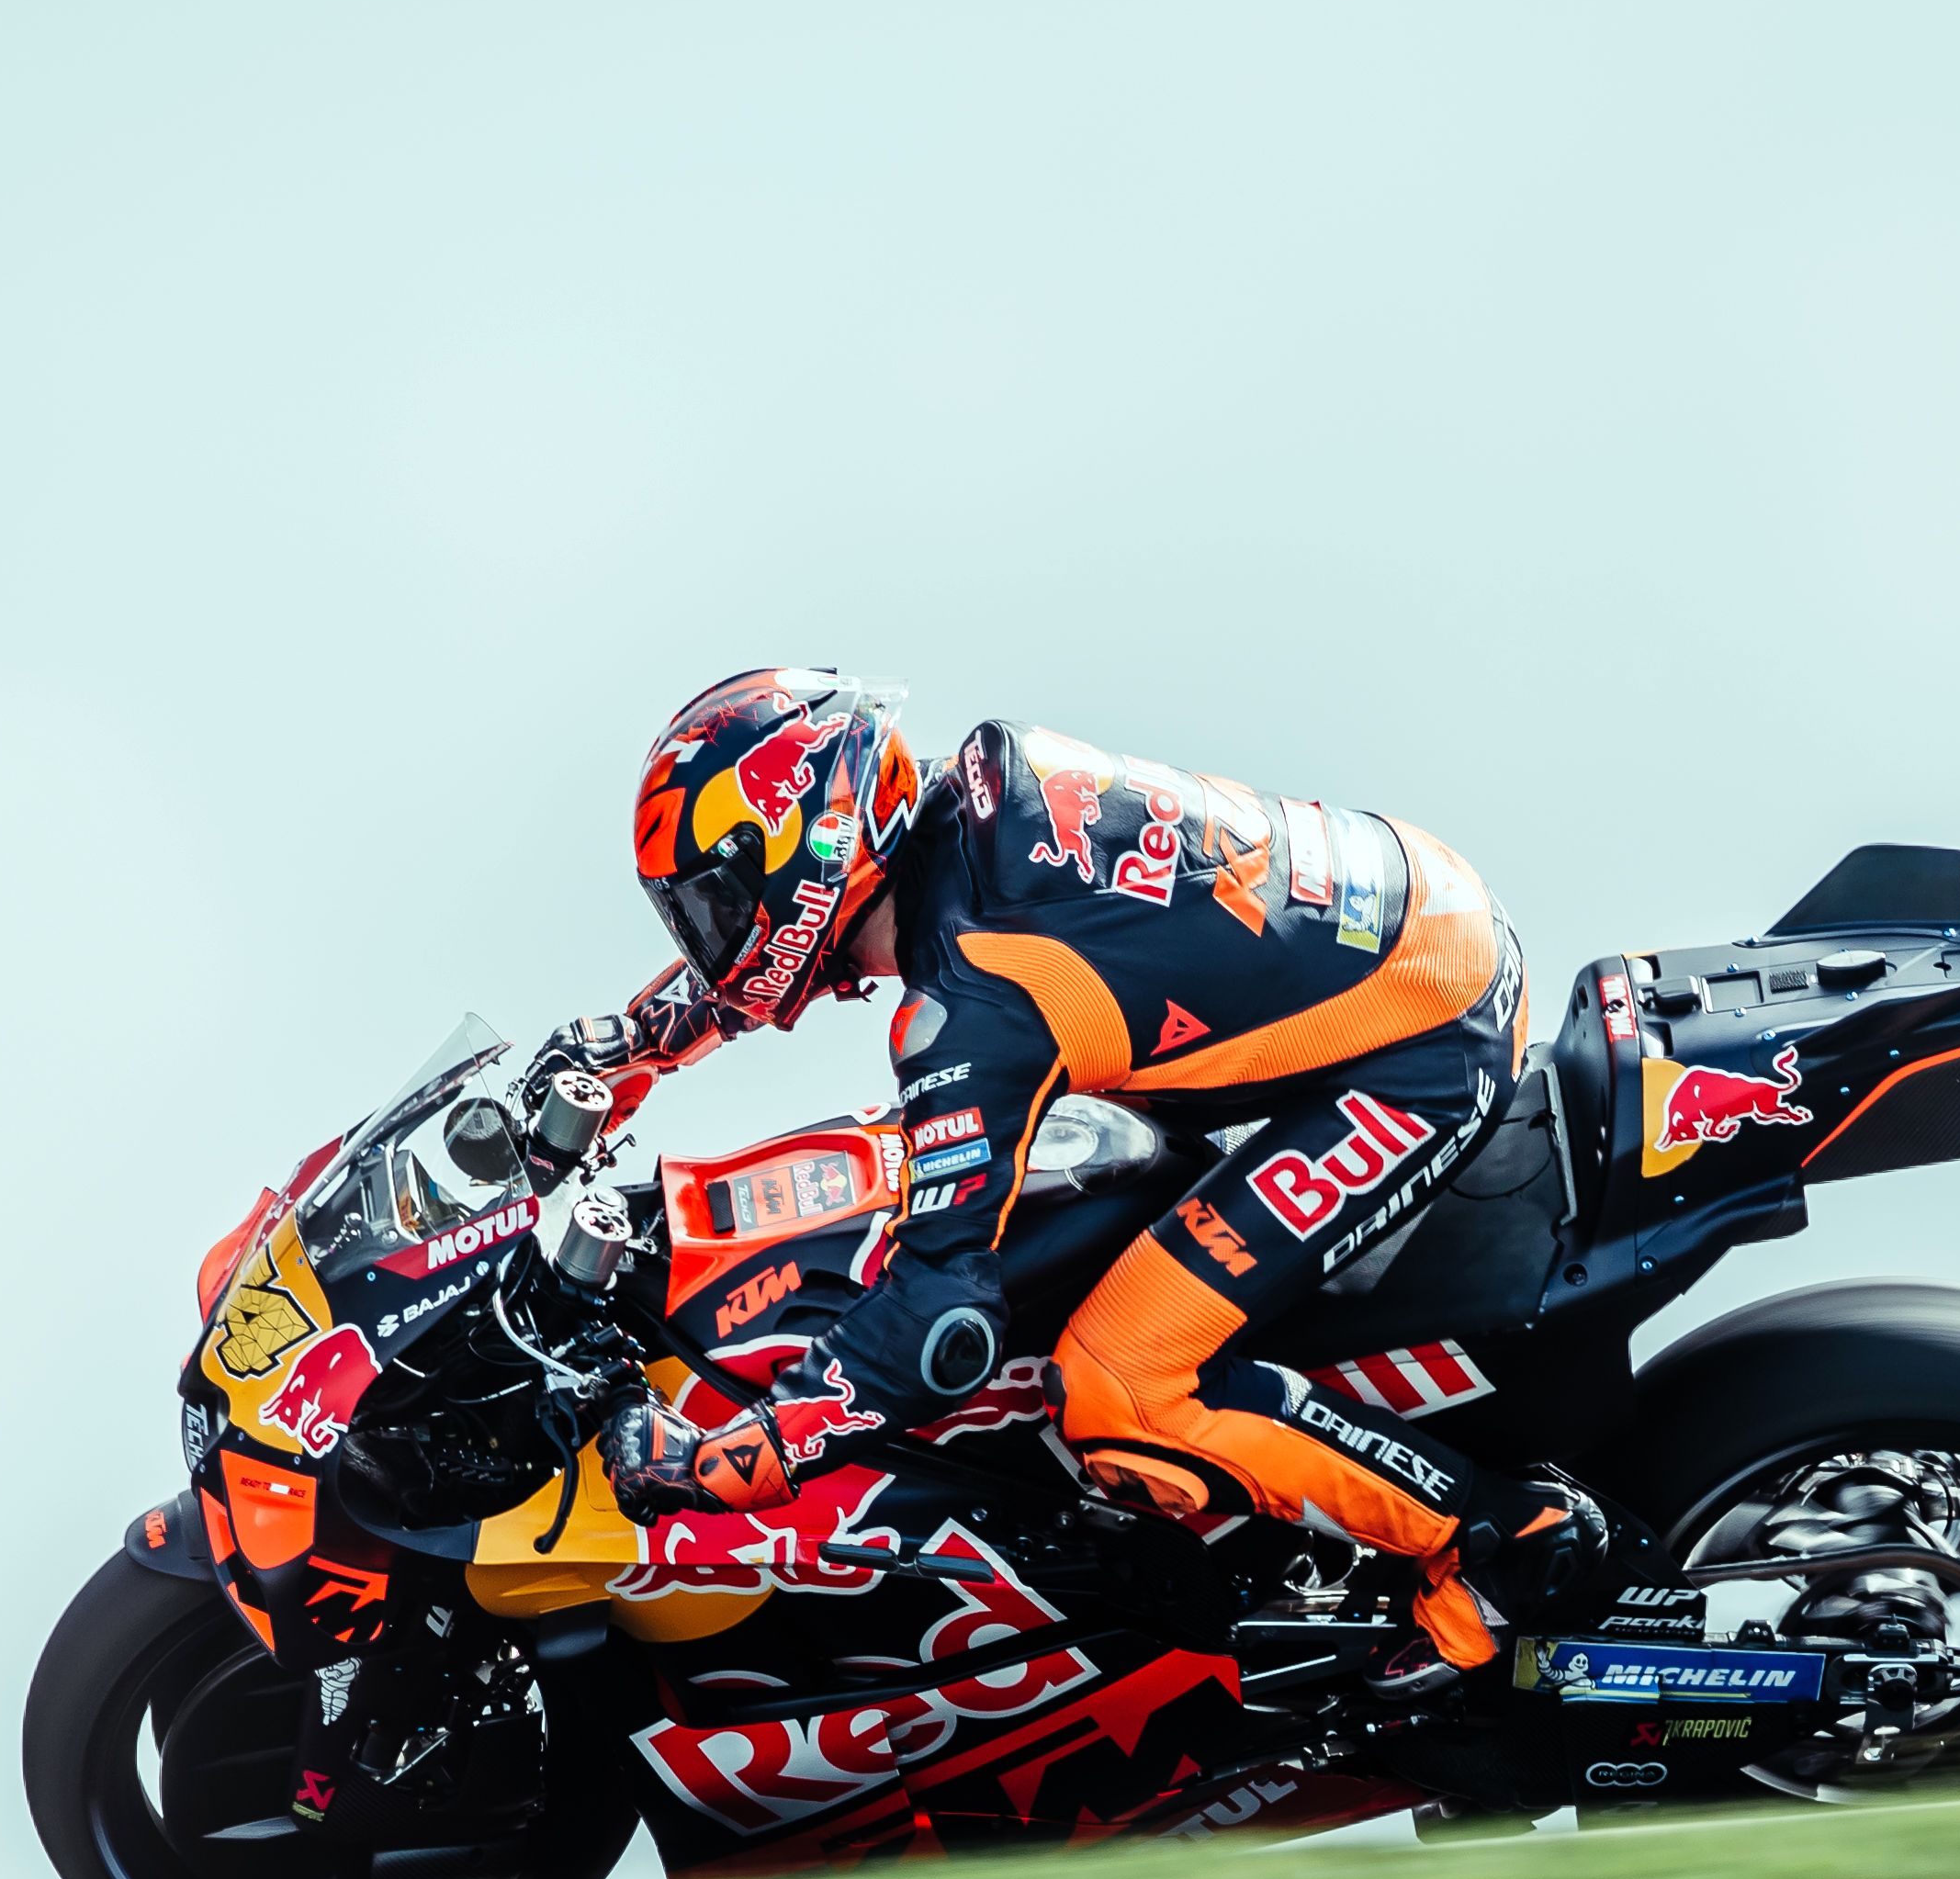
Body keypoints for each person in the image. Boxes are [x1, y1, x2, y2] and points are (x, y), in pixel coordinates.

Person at [532, 667, 1607, 1687]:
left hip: (1425, 1043)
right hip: (1419, 907)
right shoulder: (973, 790)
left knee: (1119, 1385)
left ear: (806, 851)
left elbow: (939, 1322)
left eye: (715, 906)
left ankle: (1504, 1536)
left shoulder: (978, 1005)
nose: (712, 939)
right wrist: (634, 1047)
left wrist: (740, 1455)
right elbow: (798, 932)